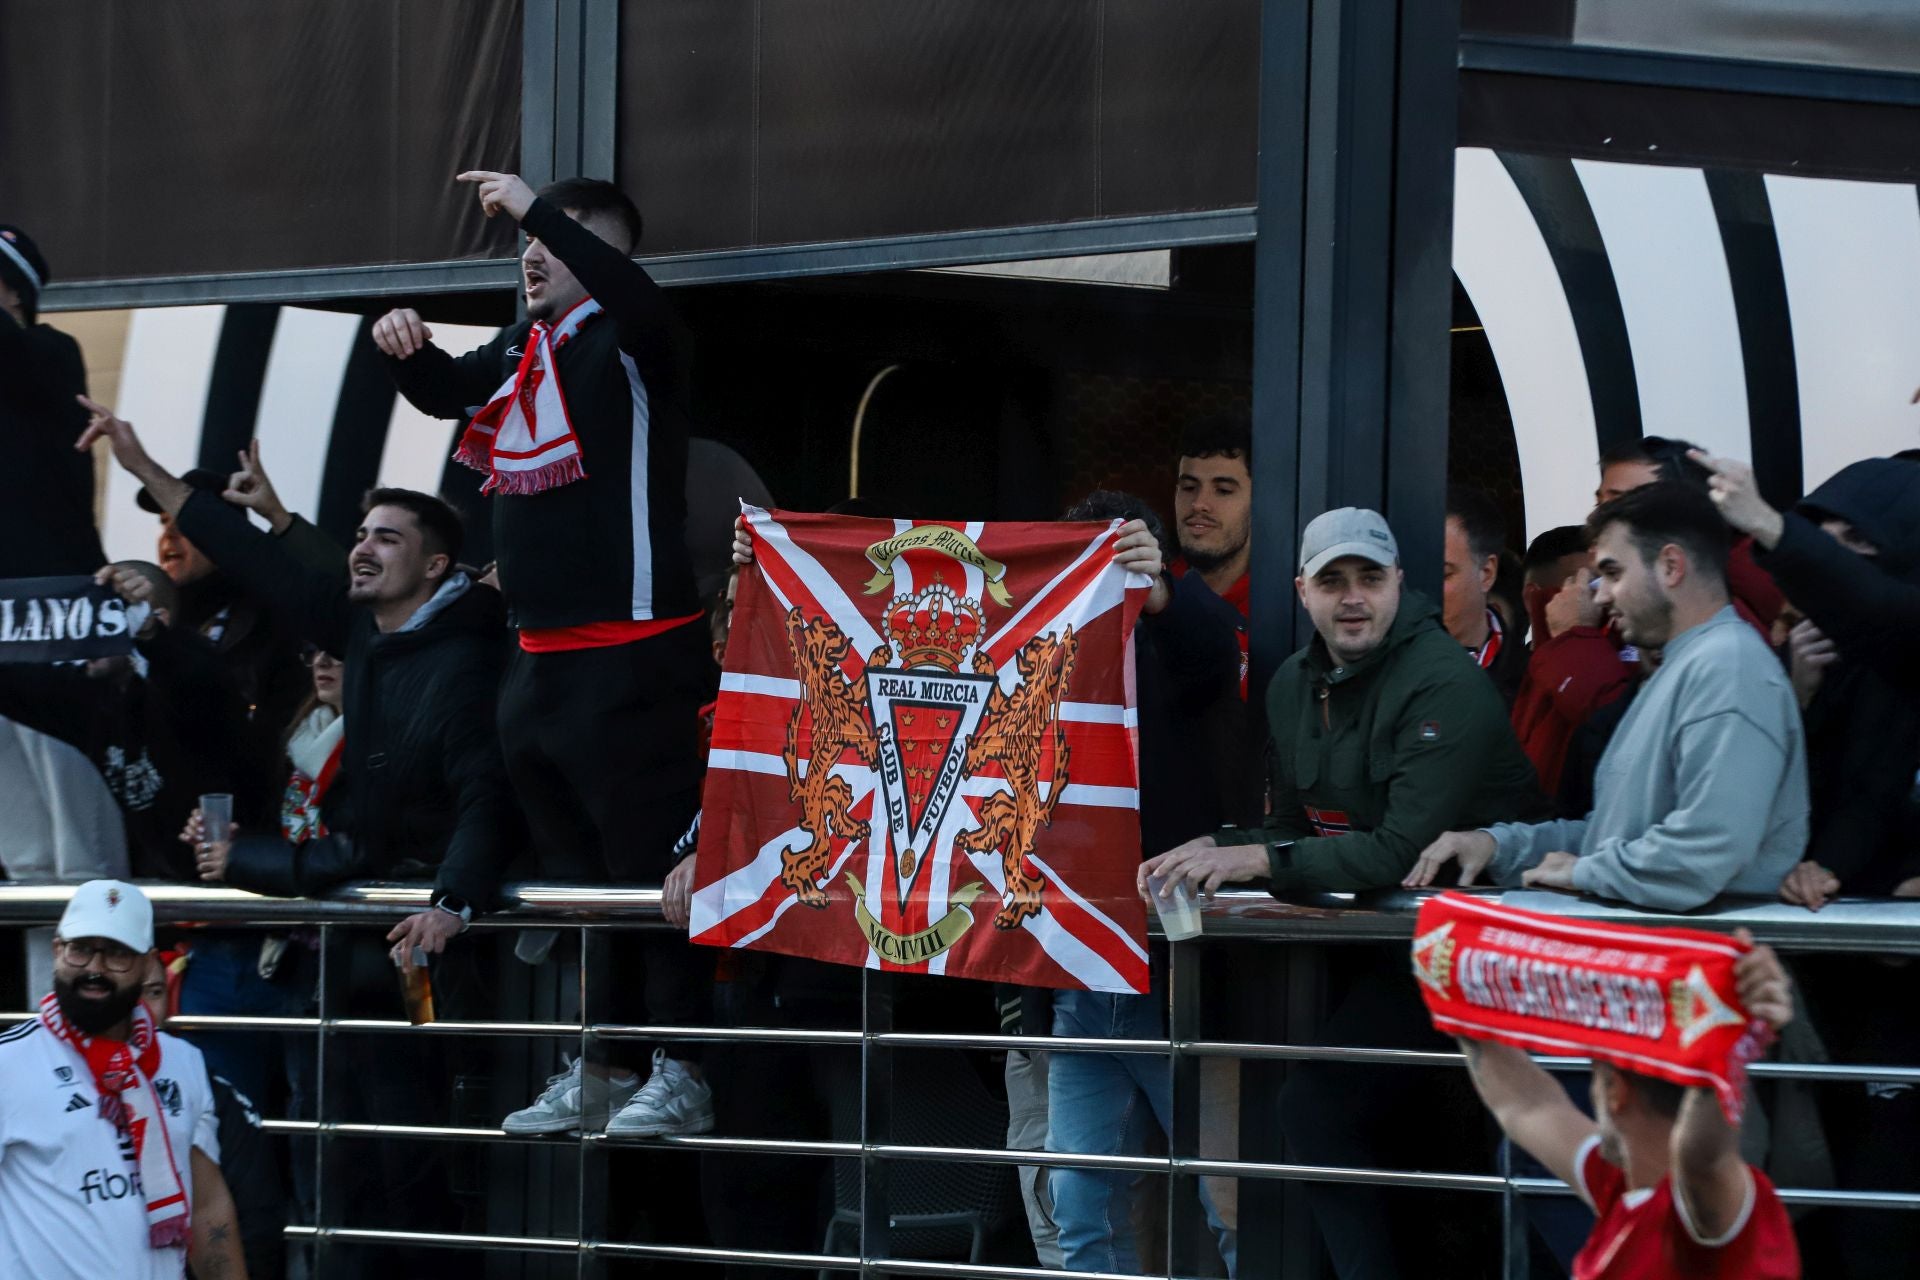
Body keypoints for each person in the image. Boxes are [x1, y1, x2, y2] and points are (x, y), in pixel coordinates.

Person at [374, 170, 715, 1136]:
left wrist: (533, 205)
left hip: (637, 654)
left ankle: (685, 1068)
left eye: (555, 242)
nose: (530, 253)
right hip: (540, 660)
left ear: (603, 255)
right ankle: (603, 1061)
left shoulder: (640, 339)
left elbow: (634, 293)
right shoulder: (528, 344)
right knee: (580, 881)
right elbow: (447, 391)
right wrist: (405, 351)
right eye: (526, 243)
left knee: (653, 875)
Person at [1139, 506, 1549, 1280]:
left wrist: (1253, 858)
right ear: (1302, 591)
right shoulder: (1296, 681)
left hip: (1502, 958)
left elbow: (1397, 850)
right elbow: (1291, 825)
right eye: (1333, 581)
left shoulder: (1443, 679)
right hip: (1404, 956)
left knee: (1467, 1159)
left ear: (1400, 585)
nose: (1352, 597)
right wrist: (1210, 846)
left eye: (1368, 578)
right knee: (1331, 1119)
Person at [78, 400, 517, 962]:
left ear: (435, 566)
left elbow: (484, 797)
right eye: (361, 534)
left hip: (439, 938)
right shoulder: (362, 626)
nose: (362, 547)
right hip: (368, 930)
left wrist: (453, 902)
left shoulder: (464, 664)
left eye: (387, 539)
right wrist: (139, 463)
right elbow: (251, 555)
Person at [1407, 482, 1809, 911]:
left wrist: (1582, 873)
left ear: (1671, 566)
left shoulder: (1729, 668)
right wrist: (1498, 845)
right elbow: (1613, 836)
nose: (1600, 595)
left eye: (1613, 573)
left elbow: (1704, 851)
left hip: (1701, 962)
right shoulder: (1686, 667)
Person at [1454, 929, 1800, 1278]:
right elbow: (1528, 1106)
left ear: (1614, 1091)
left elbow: (1702, 1158)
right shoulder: (1621, 1184)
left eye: (1595, 1071)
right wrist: (1455, 989)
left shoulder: (1698, 1205)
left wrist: (1727, 1053)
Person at [0, 880, 247, 1280]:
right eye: (81, 949)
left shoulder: (183, 1062)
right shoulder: (7, 1063)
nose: (95, 969)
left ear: (149, 964)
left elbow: (206, 1207)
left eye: (116, 953)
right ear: (57, 950)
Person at [0, 561, 253, 880]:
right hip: (163, 892)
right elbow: (17, 686)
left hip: (238, 885)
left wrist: (148, 631)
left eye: (101, 619)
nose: (85, 638)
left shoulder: (194, 690)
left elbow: (197, 679)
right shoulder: (95, 696)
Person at [1695, 449, 1920, 696]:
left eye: (1856, 537)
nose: (1836, 550)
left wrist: (1765, 522)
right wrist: (1799, 691)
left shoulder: (1901, 625)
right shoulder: (1803, 637)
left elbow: (1880, 606)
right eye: (1821, 533)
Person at [138, 955, 285, 1280]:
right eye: (131, 994)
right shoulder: (37, 1073)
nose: (142, 1013)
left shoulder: (199, 1079)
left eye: (155, 993)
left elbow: (247, 1222)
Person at [1170, 415, 1252, 688]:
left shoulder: (1284, 609)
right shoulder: (1148, 591)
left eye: (1223, 490)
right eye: (1189, 487)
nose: (1199, 504)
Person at [1444, 485, 1527, 703]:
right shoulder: (1383, 671)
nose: (1423, 587)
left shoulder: (1531, 682)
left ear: (1486, 573)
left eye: (1443, 574)